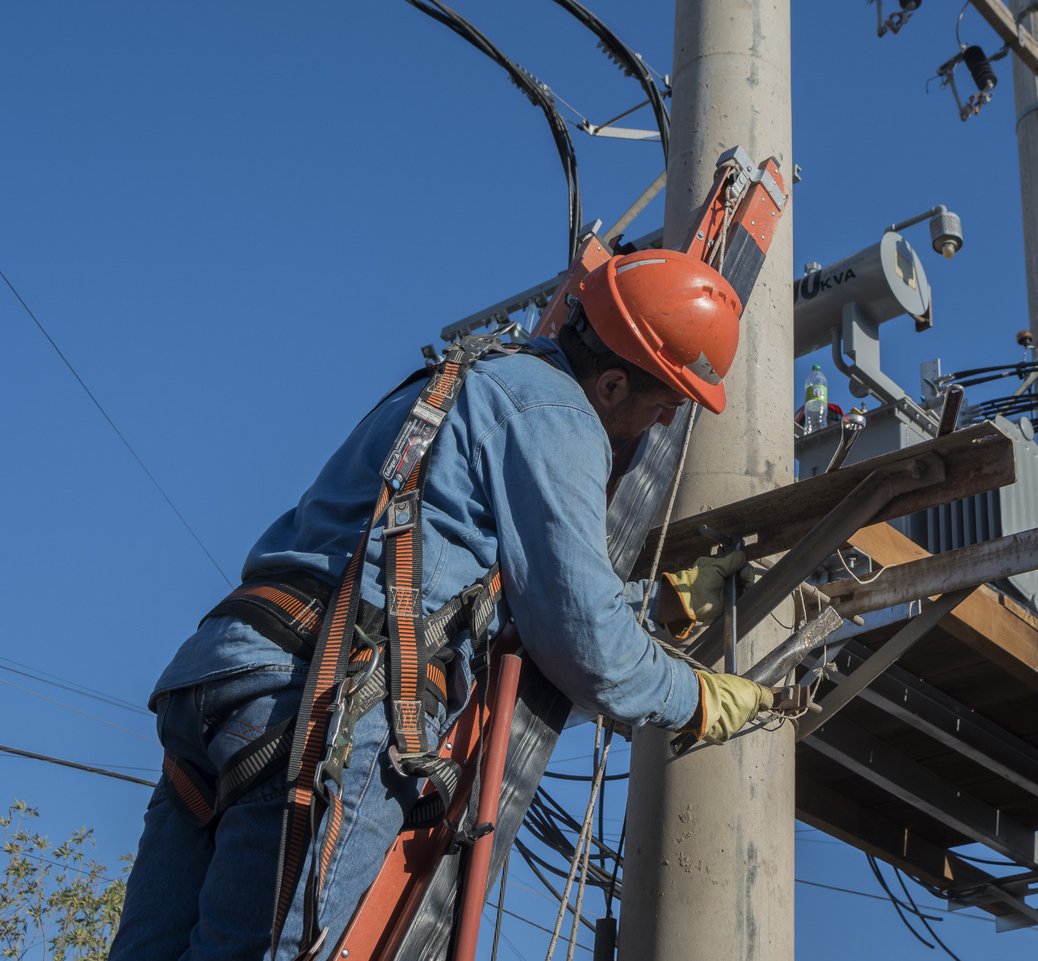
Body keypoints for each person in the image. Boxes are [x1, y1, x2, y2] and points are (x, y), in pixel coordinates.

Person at [110, 250, 772, 960]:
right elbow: (589, 647)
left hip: (221, 676)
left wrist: (660, 601)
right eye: (664, 407)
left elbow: (476, 584)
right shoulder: (559, 418)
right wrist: (693, 696)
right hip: (328, 702)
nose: (664, 424)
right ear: (611, 384)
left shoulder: (464, 378)